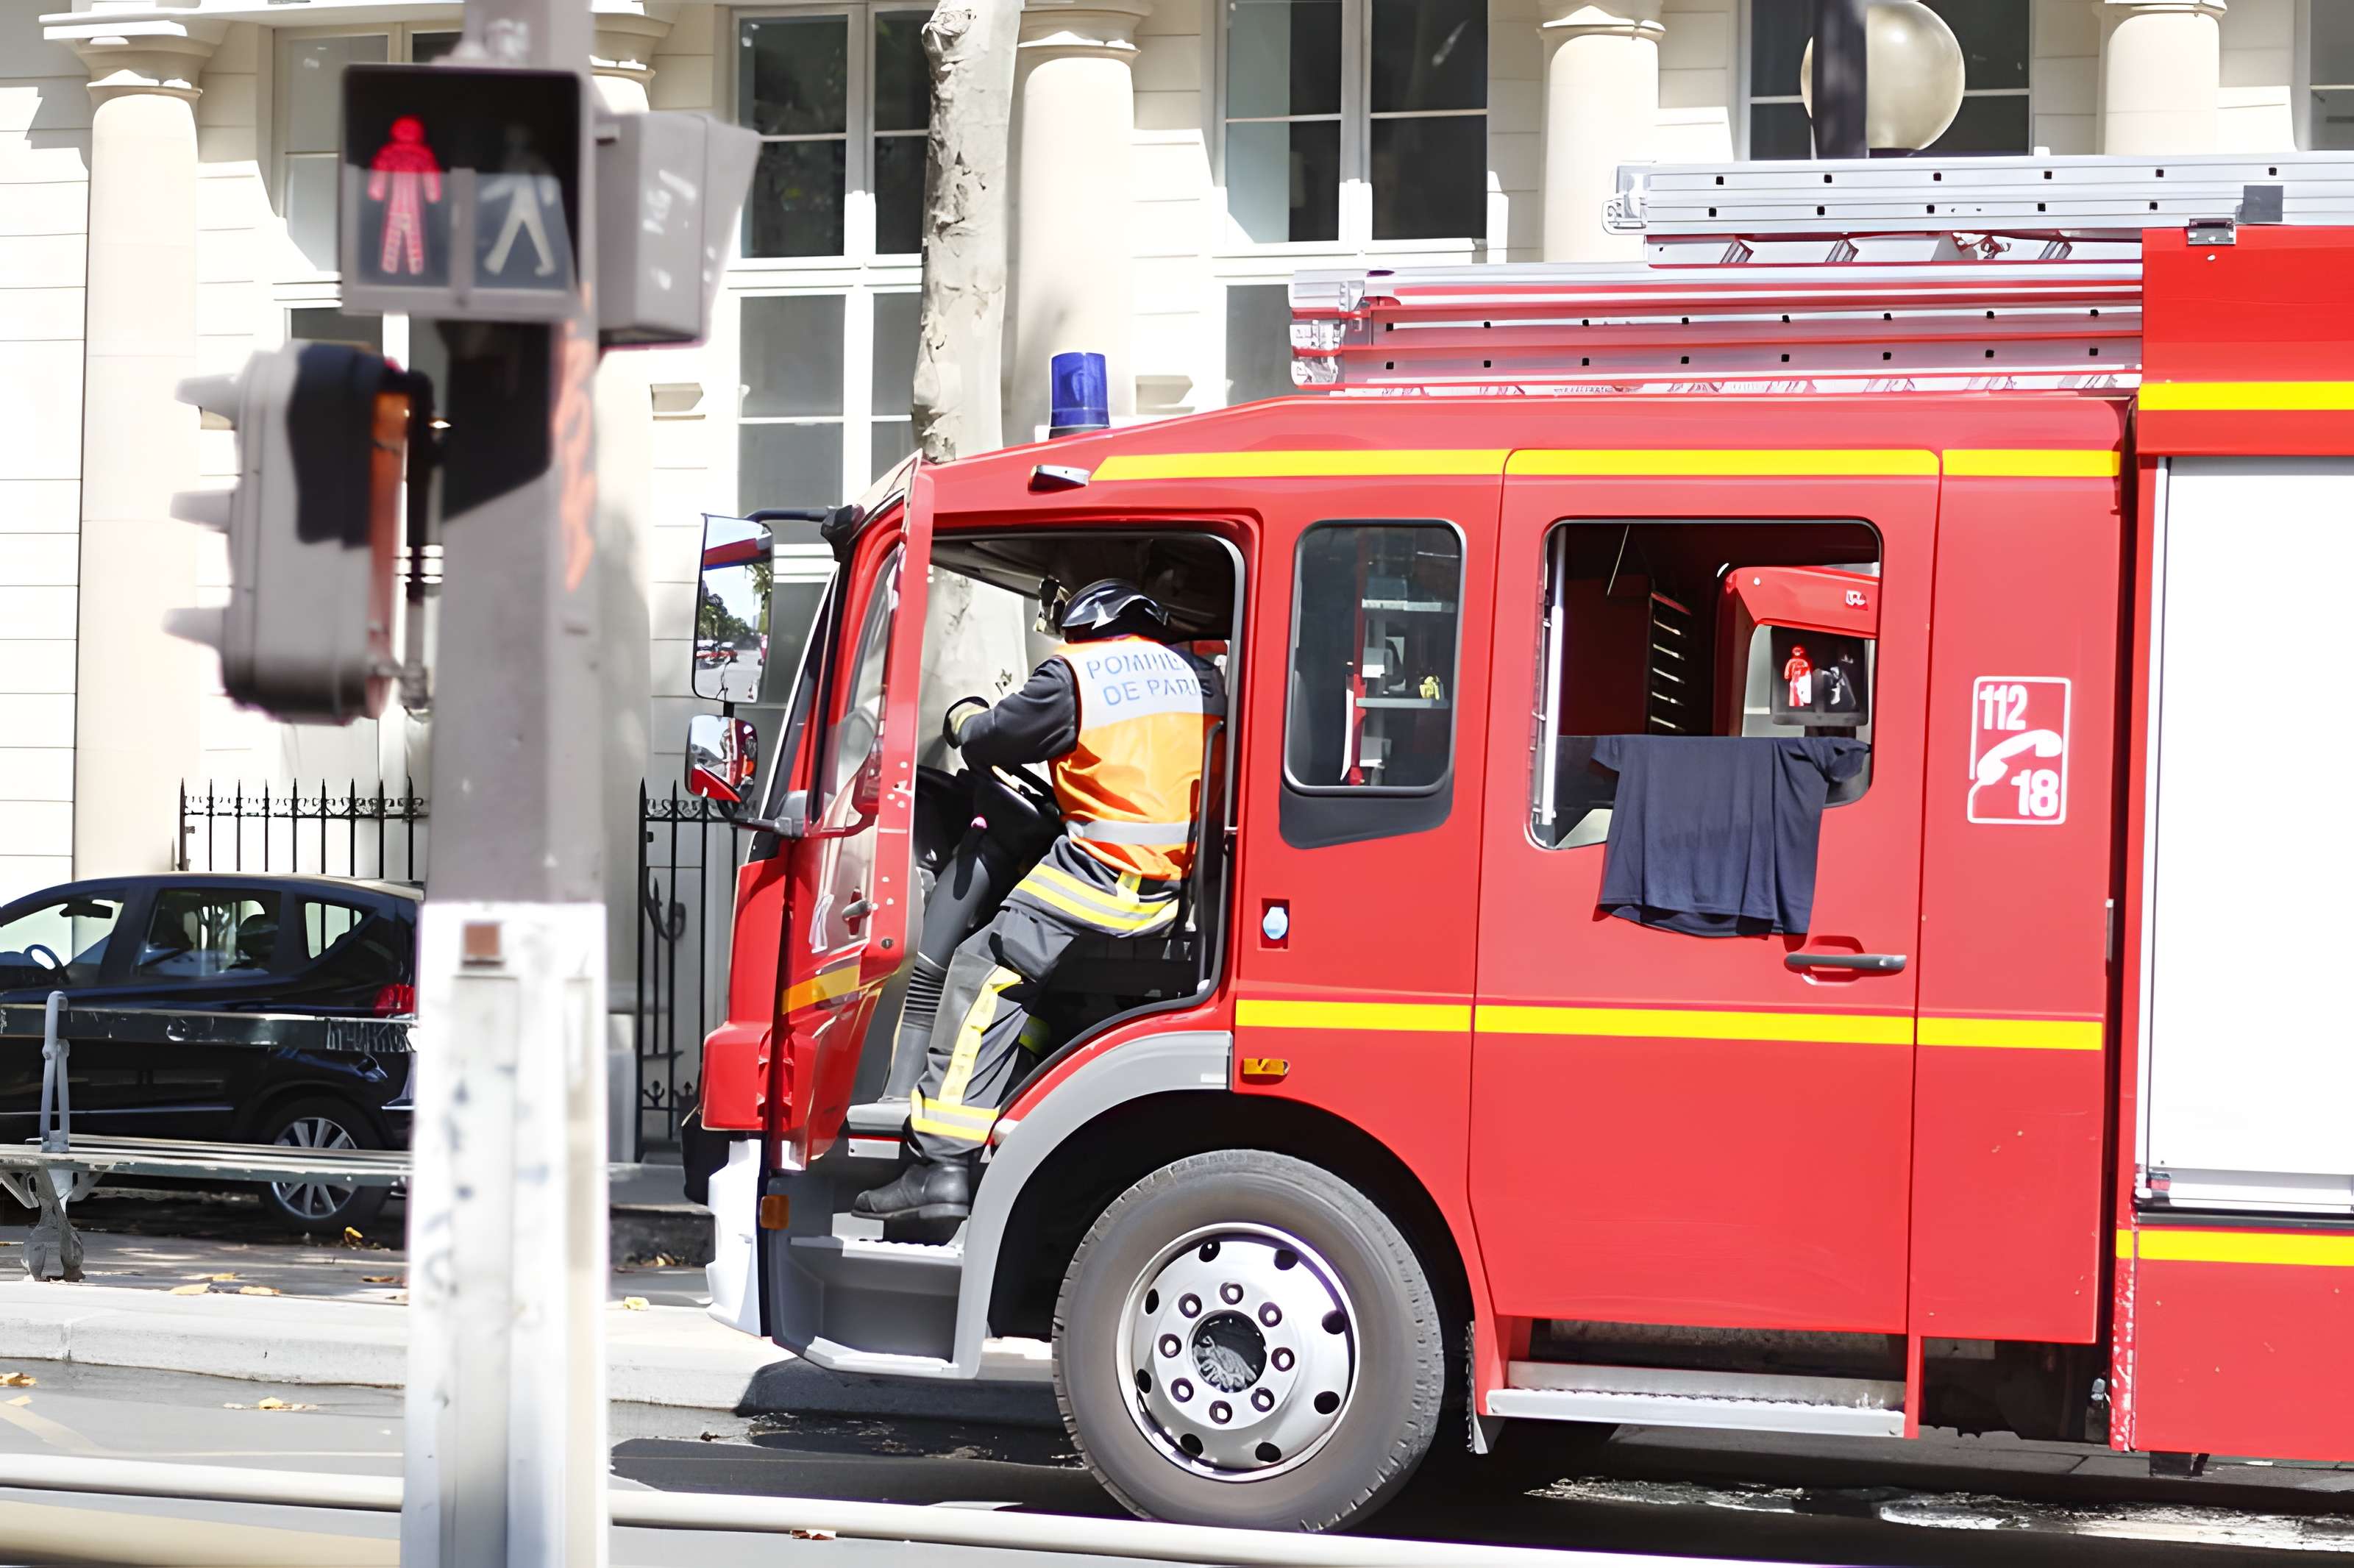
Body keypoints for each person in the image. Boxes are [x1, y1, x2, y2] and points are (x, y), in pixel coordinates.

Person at [854, 579, 1222, 1226]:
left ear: (1083, 624)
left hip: (1102, 881)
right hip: (1180, 889)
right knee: (1033, 978)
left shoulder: (1077, 676)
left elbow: (990, 739)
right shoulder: (1203, 677)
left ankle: (939, 1165)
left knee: (980, 971)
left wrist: (964, 715)